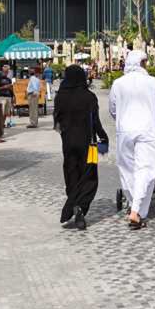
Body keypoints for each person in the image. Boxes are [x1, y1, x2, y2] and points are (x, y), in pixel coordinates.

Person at [109, 49, 155, 229]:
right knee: (145, 170)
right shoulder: (152, 82)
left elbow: (112, 109)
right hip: (147, 129)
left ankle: (135, 207)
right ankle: (137, 210)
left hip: (124, 131)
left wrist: (123, 119)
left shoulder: (117, 84)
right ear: (141, 63)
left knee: (127, 170)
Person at [52, 64, 106, 230]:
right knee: (89, 176)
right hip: (88, 144)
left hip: (68, 143)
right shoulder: (89, 97)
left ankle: (73, 203)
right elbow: (95, 121)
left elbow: (57, 121)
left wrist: (65, 134)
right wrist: (103, 137)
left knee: (71, 174)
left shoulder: (60, 96)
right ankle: (79, 207)